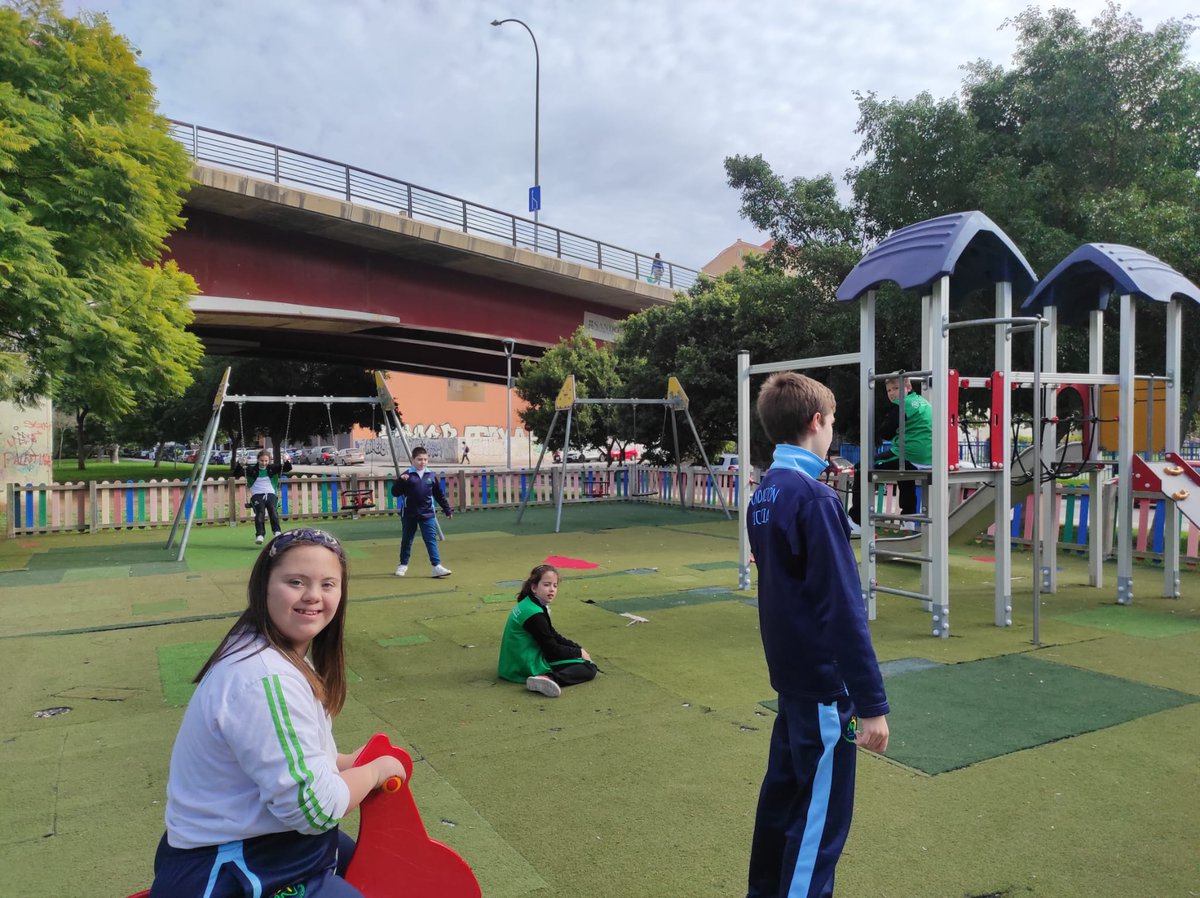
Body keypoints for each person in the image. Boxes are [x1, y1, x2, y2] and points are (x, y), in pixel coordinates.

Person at [148, 529, 406, 898]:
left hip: (260, 843)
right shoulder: (265, 676)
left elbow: (286, 758)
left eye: (328, 584)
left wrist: (343, 763)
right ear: (264, 587)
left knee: (373, 861)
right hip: (233, 866)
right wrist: (373, 772)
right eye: (295, 582)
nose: (313, 595)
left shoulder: (274, 655)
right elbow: (315, 809)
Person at [745, 371, 890, 898]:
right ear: (815, 422)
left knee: (782, 806)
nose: (832, 432)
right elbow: (842, 609)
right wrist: (871, 704)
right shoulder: (814, 498)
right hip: (823, 689)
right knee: (818, 827)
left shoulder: (765, 493)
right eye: (831, 423)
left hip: (791, 681)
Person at [497, 563, 597, 698]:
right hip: (525, 666)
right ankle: (549, 678)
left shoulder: (529, 603)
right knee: (589, 668)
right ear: (534, 587)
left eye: (555, 585)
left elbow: (552, 634)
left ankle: (548, 677)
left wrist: (578, 649)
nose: (552, 589)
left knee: (577, 658)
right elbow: (552, 649)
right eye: (546, 585)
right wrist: (578, 653)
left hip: (512, 665)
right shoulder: (534, 614)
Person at [847, 375, 933, 532]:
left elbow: (886, 432)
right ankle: (908, 520)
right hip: (928, 460)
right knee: (904, 475)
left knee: (861, 467)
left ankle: (857, 521)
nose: (892, 393)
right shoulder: (923, 402)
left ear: (908, 387)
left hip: (910, 455)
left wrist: (882, 426)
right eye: (889, 390)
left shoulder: (903, 405)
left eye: (896, 388)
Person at [390, 447, 453, 578]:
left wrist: (447, 509)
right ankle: (403, 564)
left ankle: (436, 566)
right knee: (407, 540)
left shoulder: (431, 476)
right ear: (413, 460)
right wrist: (400, 481)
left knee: (431, 540)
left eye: (425, 459)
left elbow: (439, 495)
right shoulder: (406, 475)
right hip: (409, 514)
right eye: (419, 459)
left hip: (427, 514)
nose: (422, 462)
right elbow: (395, 493)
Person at [233, 448, 293, 545]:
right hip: (257, 495)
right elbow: (236, 473)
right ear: (258, 460)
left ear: (269, 460)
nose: (264, 463)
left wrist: (286, 460)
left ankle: (277, 531)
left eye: (266, 461)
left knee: (272, 509)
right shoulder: (251, 470)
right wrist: (240, 464)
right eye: (261, 460)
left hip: (270, 493)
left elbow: (287, 468)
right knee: (260, 512)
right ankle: (260, 534)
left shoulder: (273, 468)